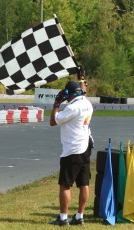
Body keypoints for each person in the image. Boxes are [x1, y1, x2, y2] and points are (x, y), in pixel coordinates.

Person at [49, 68, 93, 226]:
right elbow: (84, 92)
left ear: (70, 95)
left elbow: (53, 121)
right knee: (84, 184)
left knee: (65, 185)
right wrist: (81, 79)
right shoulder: (86, 103)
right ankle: (80, 216)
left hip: (72, 150)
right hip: (86, 147)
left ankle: (62, 218)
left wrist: (56, 104)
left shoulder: (71, 108)